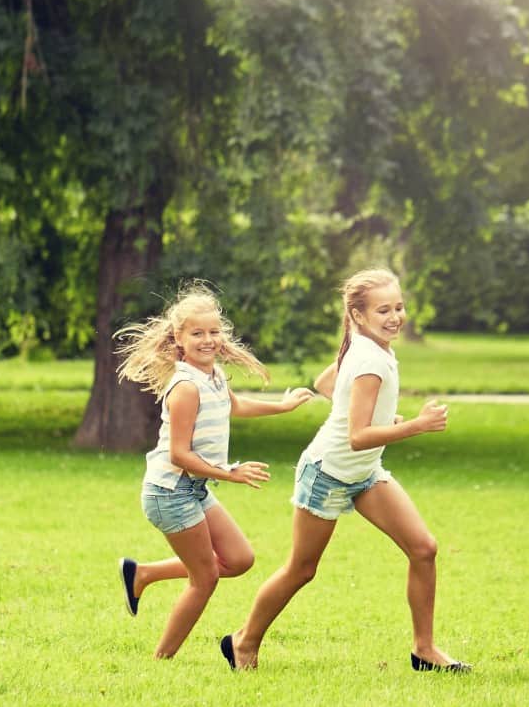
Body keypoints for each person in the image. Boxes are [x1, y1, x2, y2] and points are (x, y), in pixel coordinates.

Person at [220, 268, 471, 673]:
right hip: (328, 475)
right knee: (302, 570)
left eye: (399, 307)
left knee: (423, 549)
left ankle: (424, 651)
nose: (395, 317)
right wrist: (414, 426)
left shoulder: (368, 346)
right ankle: (243, 641)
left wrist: (382, 415)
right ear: (358, 315)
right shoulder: (370, 359)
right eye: (383, 310)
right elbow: (357, 436)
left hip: (365, 473)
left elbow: (325, 382)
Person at [116, 283, 314, 658]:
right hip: (170, 492)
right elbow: (178, 455)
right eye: (197, 334)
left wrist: (282, 406)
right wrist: (230, 473)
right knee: (204, 578)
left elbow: (233, 405)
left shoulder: (214, 375)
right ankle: (162, 659)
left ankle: (142, 574)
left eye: (213, 332)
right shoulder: (186, 386)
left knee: (239, 559)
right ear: (179, 337)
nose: (208, 340)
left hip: (193, 490)